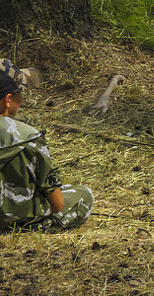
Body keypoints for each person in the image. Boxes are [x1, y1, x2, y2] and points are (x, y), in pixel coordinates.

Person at [1, 59, 93, 231]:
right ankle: (34, 227)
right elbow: (58, 204)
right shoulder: (27, 137)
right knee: (84, 195)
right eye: (19, 92)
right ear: (7, 100)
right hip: (12, 218)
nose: (22, 98)